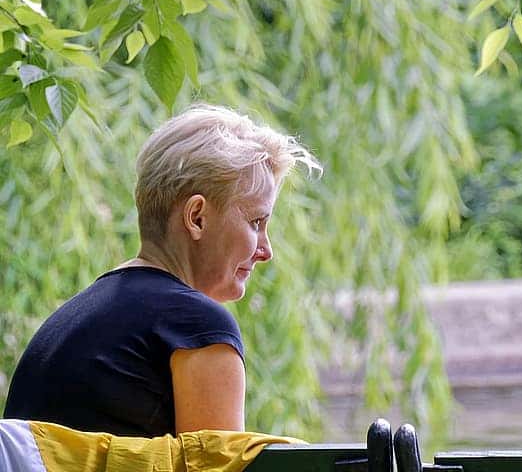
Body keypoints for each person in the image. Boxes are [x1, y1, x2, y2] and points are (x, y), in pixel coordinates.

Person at [3, 104, 321, 437]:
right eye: (256, 222)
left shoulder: (68, 322)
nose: (265, 250)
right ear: (197, 217)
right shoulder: (195, 328)